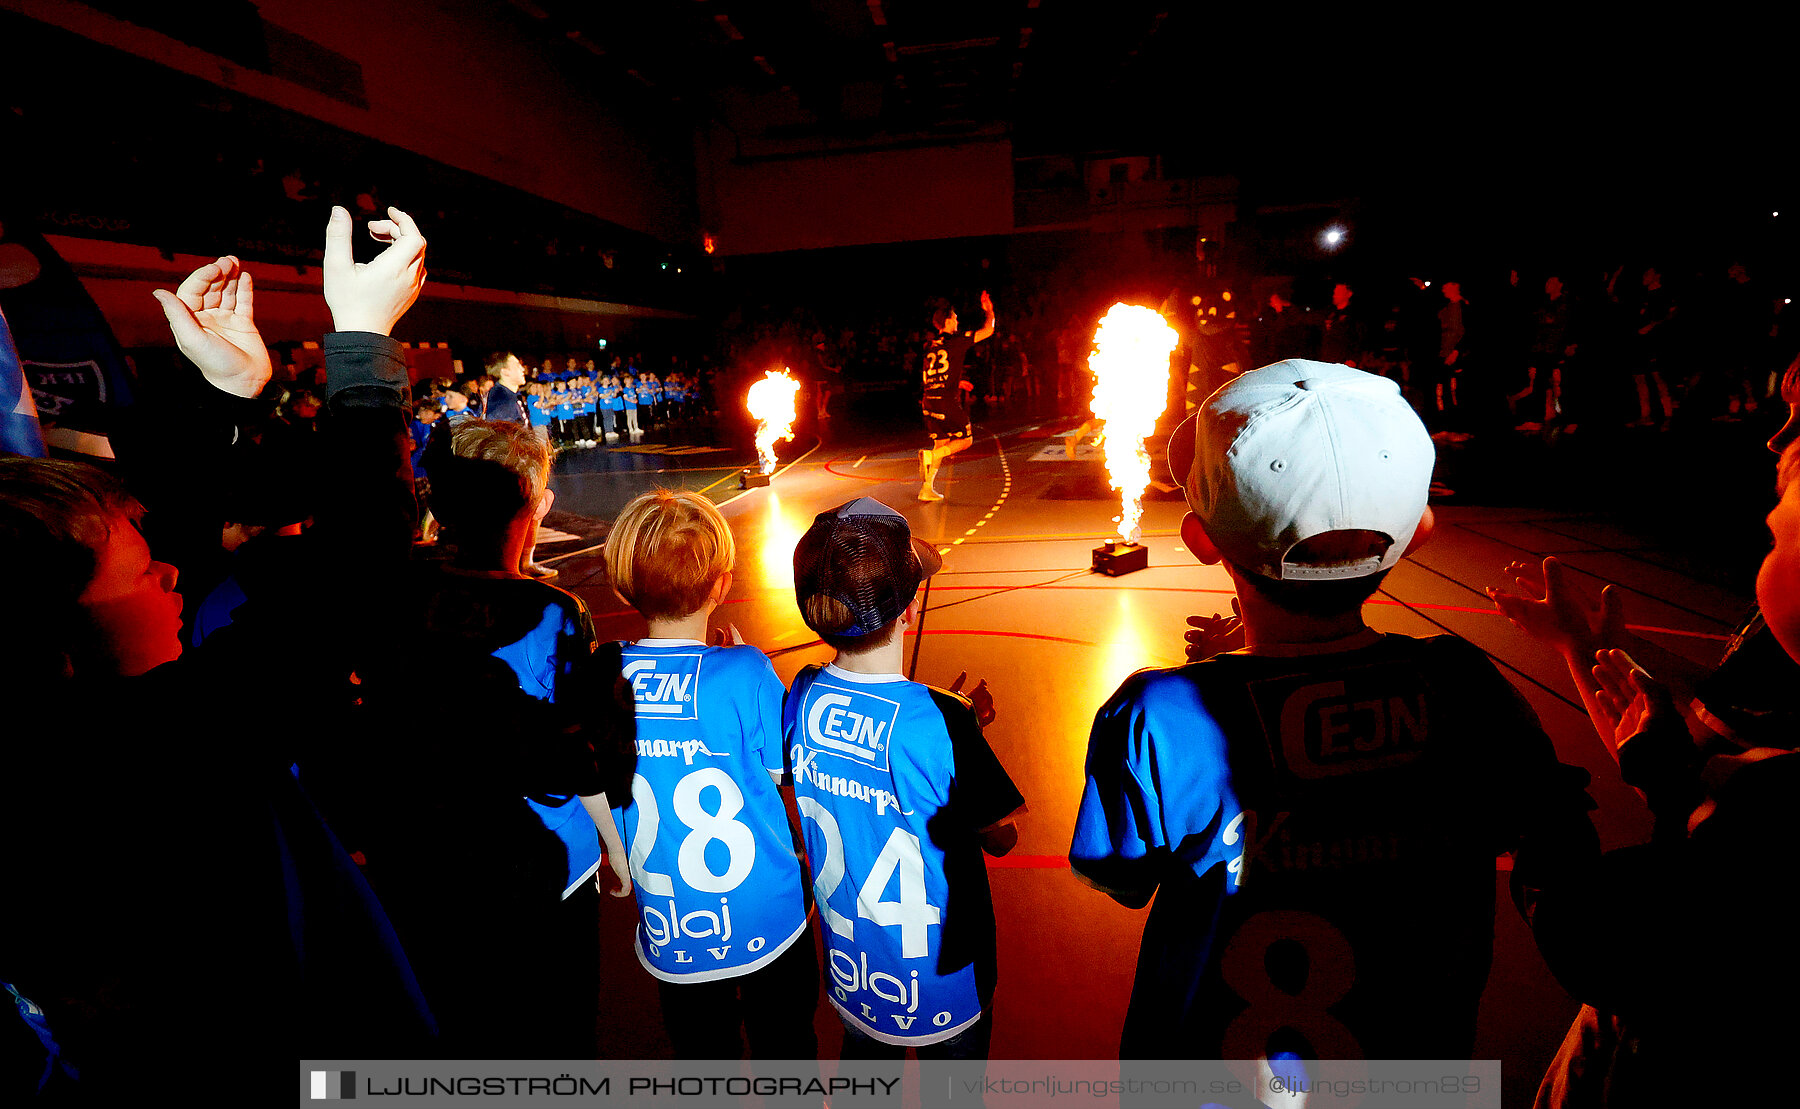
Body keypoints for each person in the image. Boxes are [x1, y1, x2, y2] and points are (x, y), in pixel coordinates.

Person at [1069, 360, 1595, 1064]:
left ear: (1201, 541)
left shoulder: (1158, 715)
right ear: (1420, 532)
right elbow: (1550, 837)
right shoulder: (1465, 685)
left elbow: (1120, 875)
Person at [1490, 357, 1800, 1105]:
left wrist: (1546, 819)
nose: (1775, 442)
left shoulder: (1770, 818)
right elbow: (1686, 750)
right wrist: (1578, 648)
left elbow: (1612, 936)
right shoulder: (1772, 646)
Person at [785, 497, 1023, 1058]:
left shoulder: (799, 692)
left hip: (854, 967)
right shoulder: (944, 718)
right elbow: (1002, 836)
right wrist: (967, 727)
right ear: (909, 609)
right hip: (945, 973)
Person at [595, 490, 818, 1059]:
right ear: (721, 586)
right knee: (787, 1043)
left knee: (701, 1052)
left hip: (674, 927)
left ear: (625, 586)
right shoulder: (745, 671)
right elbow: (783, 771)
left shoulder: (602, 675)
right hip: (768, 915)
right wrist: (745, 667)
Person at [918, 291, 995, 502]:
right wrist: (989, 311)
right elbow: (989, 330)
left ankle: (926, 488)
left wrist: (956, 382)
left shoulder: (930, 346)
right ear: (949, 320)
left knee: (941, 443)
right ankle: (930, 457)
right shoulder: (957, 340)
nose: (958, 320)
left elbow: (935, 374)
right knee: (965, 439)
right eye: (956, 317)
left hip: (928, 400)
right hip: (945, 401)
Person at [483, 351, 530, 425]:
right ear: (505, 371)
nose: (523, 369)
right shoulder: (502, 402)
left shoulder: (509, 395)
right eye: (518, 365)